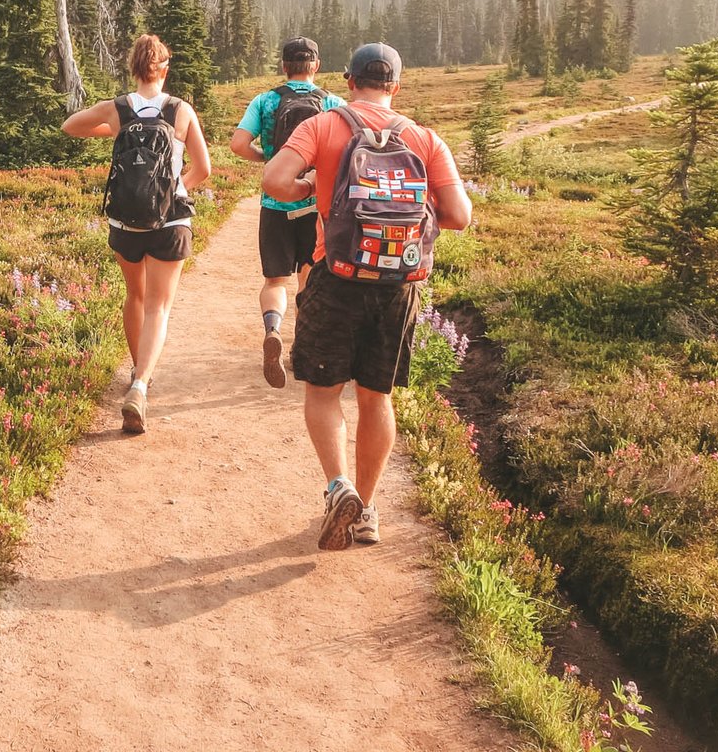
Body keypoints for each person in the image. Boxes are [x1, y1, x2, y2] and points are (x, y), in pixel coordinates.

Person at [261, 42, 471, 550]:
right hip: (399, 281)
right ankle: (368, 510)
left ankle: (339, 486)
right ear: (396, 86)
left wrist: (317, 192)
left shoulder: (324, 125)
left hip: (335, 272)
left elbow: (274, 179)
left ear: (349, 81)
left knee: (322, 390)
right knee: (378, 396)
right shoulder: (425, 139)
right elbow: (460, 215)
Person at [62, 33, 212, 434]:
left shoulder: (118, 108)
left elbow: (70, 126)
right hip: (171, 220)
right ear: (164, 69)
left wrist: (109, 131)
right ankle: (142, 383)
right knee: (158, 307)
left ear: (133, 69)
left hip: (125, 220)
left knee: (135, 295)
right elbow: (204, 168)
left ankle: (136, 374)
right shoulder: (181, 110)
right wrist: (177, 189)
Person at [229, 36, 343, 389]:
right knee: (308, 278)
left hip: (276, 205)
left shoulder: (266, 100)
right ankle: (300, 349)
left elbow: (237, 144)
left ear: (284, 66)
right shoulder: (331, 102)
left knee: (275, 280)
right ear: (316, 66)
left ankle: (273, 328)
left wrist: (270, 160)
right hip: (315, 206)